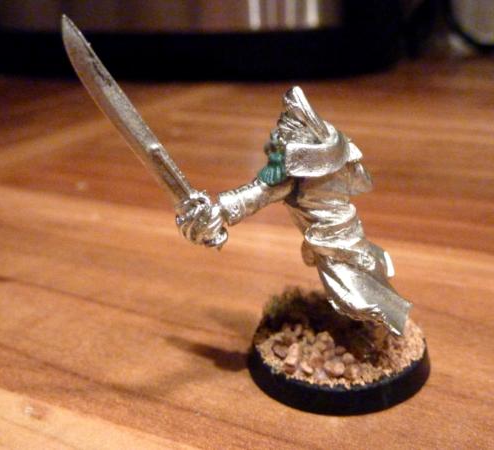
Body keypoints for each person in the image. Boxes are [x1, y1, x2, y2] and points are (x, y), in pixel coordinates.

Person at [175, 87, 411, 336]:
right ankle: (375, 323)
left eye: (283, 135)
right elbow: (254, 195)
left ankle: (374, 330)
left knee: (352, 293)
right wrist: (219, 211)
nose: (275, 138)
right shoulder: (331, 164)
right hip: (335, 234)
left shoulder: (298, 177)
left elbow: (260, 194)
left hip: (333, 238)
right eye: (279, 132)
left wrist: (220, 212)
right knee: (359, 281)